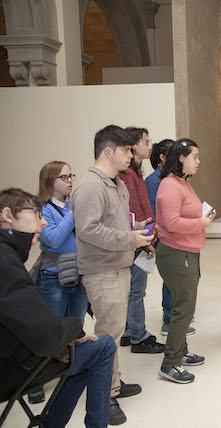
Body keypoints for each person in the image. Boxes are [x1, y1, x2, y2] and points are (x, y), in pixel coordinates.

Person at [0, 187, 116, 428]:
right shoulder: (6, 264)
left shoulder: (8, 257)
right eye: (36, 214)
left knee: (78, 351)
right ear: (8, 215)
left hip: (12, 353)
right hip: (8, 370)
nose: (43, 222)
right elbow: (49, 338)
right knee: (102, 347)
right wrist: (76, 327)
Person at [72, 125, 155, 425]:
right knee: (107, 335)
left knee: (115, 332)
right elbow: (89, 230)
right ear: (108, 151)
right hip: (102, 271)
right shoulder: (91, 186)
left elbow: (114, 226)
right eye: (126, 151)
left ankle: (113, 384)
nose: (130, 156)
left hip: (119, 266)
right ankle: (104, 397)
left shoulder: (116, 183)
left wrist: (134, 233)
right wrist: (129, 240)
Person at [26, 161, 89, 405]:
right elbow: (52, 239)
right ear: (50, 181)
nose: (70, 180)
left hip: (78, 271)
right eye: (64, 177)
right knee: (50, 331)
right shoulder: (44, 209)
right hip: (53, 276)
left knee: (76, 326)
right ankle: (35, 381)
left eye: (71, 175)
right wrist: (73, 215)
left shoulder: (73, 204)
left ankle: (71, 371)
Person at [156, 139, 214, 384]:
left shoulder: (182, 183)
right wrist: (200, 224)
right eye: (195, 157)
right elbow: (172, 224)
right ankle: (170, 363)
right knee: (184, 309)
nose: (198, 162)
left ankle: (181, 351)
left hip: (189, 252)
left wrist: (203, 217)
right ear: (181, 157)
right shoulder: (170, 186)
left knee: (185, 305)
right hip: (177, 253)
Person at [118, 127, 165, 354]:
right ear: (133, 146)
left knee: (132, 289)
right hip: (137, 238)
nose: (150, 146)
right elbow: (131, 210)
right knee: (137, 290)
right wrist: (145, 239)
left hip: (141, 235)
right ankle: (138, 336)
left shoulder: (135, 172)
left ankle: (129, 331)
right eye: (146, 141)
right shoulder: (126, 175)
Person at [146, 138, 196, 337]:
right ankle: (170, 320)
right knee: (171, 283)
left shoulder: (177, 181)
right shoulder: (159, 182)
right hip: (167, 239)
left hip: (179, 240)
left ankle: (176, 317)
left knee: (178, 285)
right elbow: (160, 215)